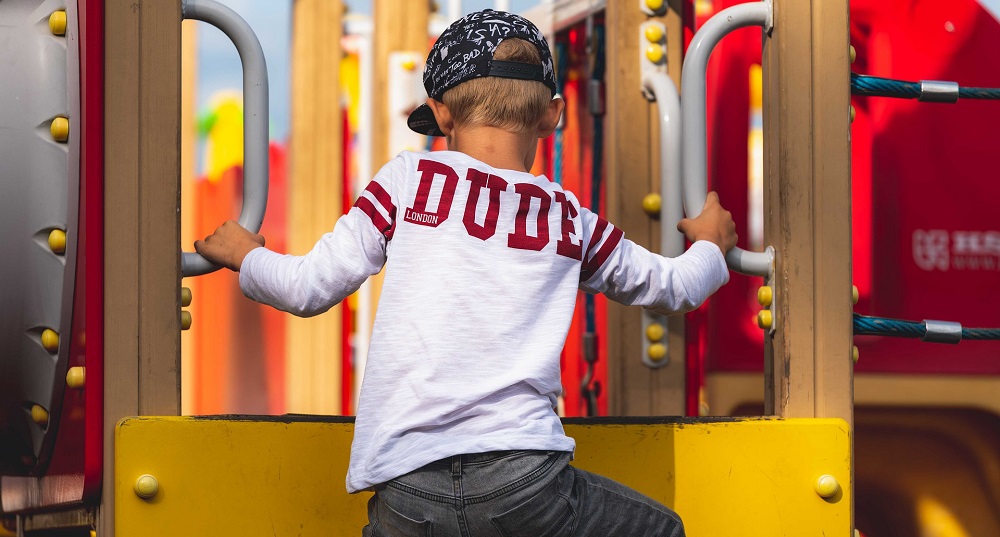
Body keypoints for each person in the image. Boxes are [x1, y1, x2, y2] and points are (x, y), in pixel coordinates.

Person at [195, 9, 736, 537]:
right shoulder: (569, 217)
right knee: (661, 527)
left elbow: (307, 288)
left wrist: (248, 255)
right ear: (552, 115)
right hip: (525, 484)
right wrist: (710, 244)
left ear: (442, 114)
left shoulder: (406, 183)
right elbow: (675, 287)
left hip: (405, 483)